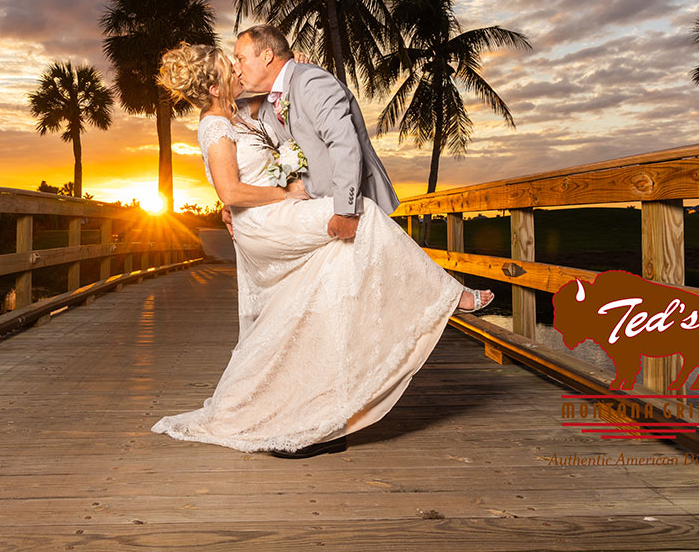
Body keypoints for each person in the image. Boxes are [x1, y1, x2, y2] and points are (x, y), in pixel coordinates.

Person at [150, 35, 493, 459]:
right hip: (266, 220)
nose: (237, 69)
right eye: (230, 67)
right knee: (361, 216)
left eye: (239, 60)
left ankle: (317, 415)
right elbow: (230, 190)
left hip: (274, 214)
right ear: (216, 87)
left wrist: (295, 69)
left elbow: (281, 115)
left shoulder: (243, 112)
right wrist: (281, 197)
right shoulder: (214, 124)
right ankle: (446, 294)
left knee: (314, 303)